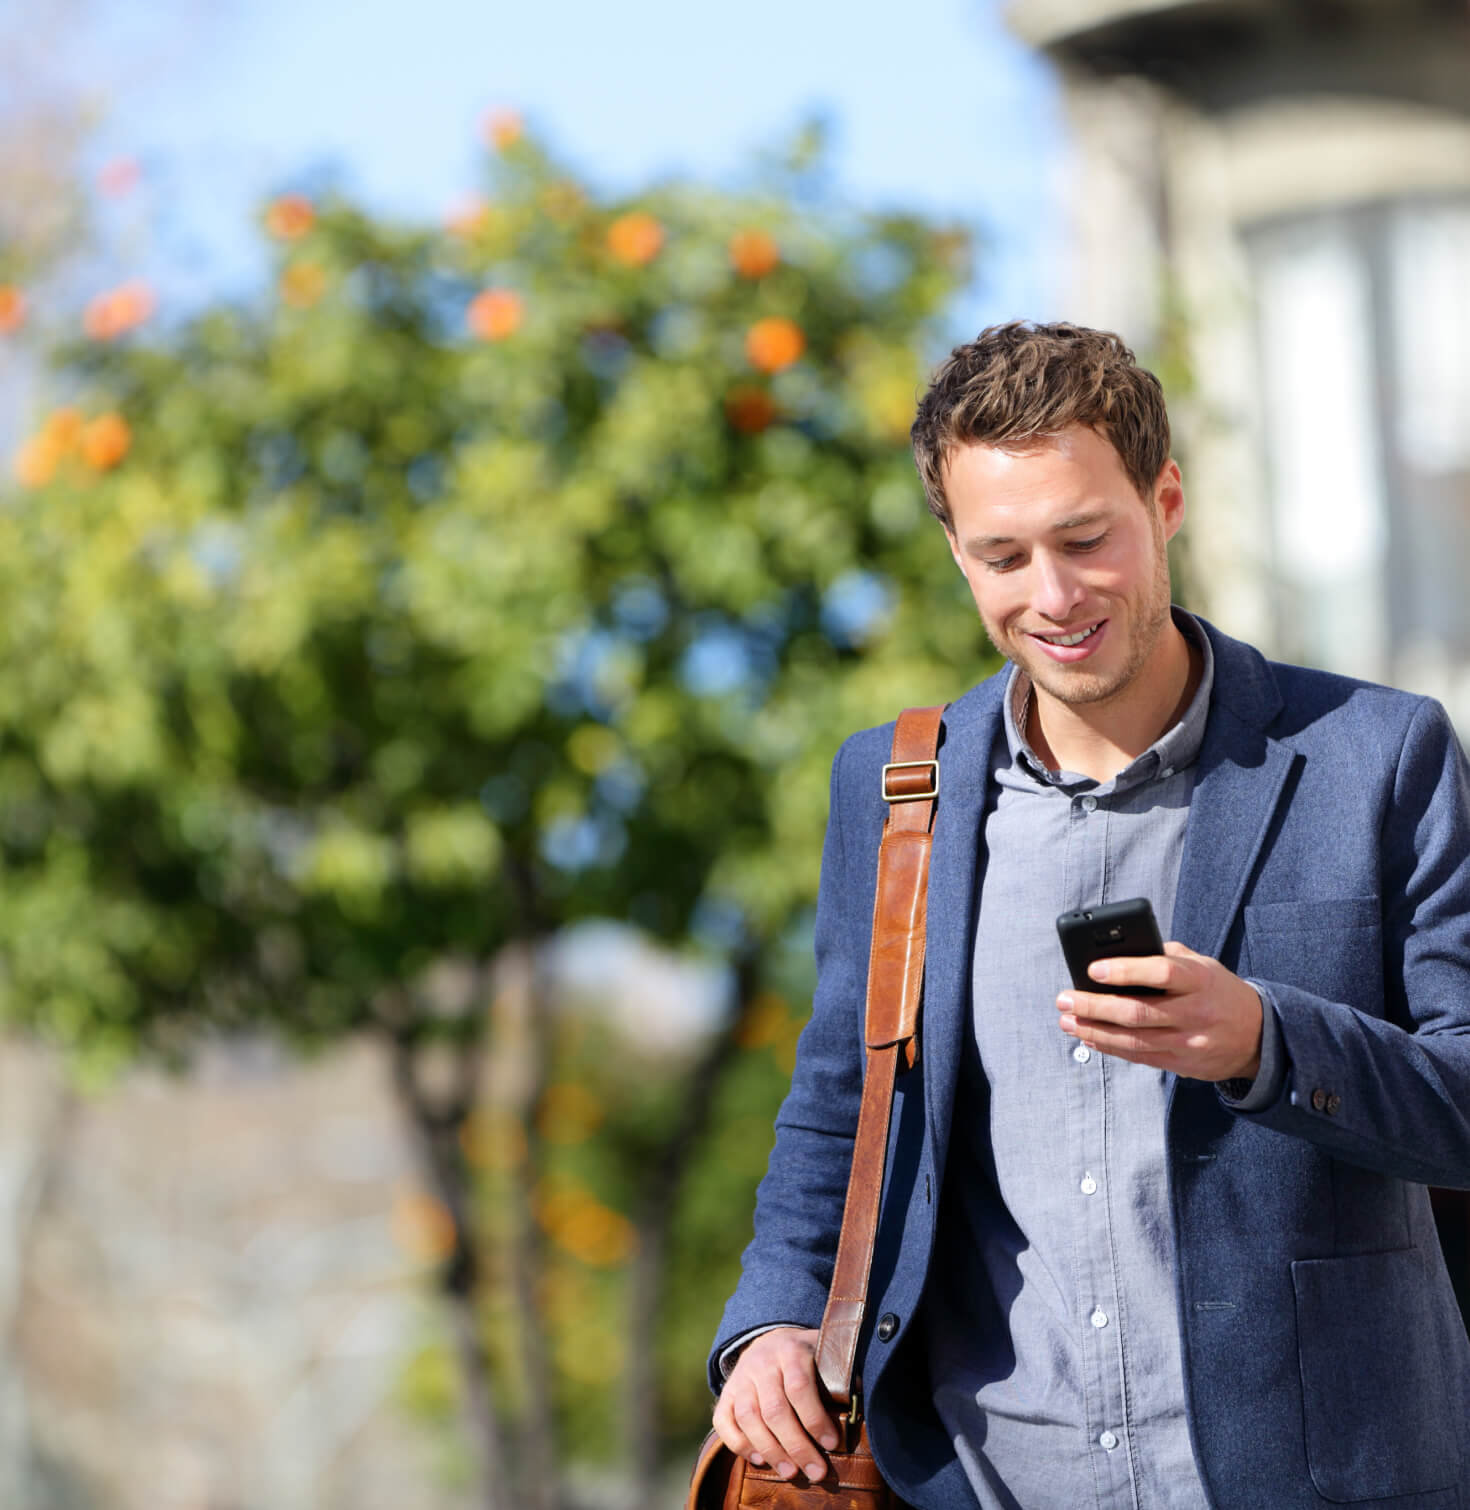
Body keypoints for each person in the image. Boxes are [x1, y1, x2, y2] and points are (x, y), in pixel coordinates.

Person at [707, 321, 1470, 1509]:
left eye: (1084, 538)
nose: (1052, 596)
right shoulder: (896, 787)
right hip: (979, 1477)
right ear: (956, 553)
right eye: (1003, 556)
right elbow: (844, 1097)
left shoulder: (1381, 753)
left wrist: (1267, 1043)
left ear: (1164, 501)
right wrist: (770, 1320)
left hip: (1317, 1477)